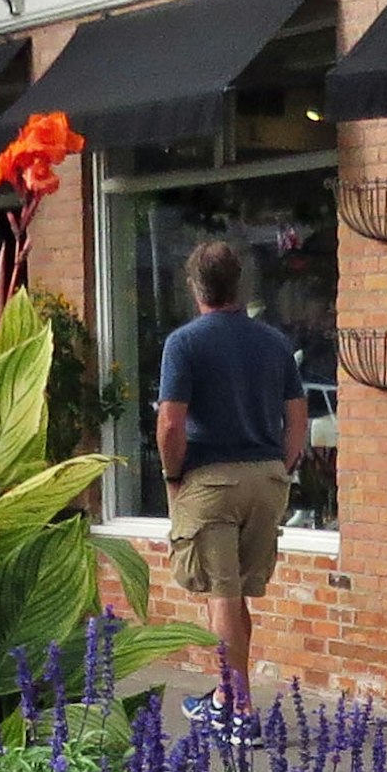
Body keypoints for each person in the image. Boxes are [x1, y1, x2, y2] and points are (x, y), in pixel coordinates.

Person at [151, 239, 306, 719]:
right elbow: (297, 422)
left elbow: (171, 423)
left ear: (196, 287)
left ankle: (237, 709)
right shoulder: (275, 343)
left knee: (222, 595)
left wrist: (172, 475)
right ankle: (225, 695)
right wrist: (281, 468)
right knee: (235, 594)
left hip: (211, 481)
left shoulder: (185, 343)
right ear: (239, 284)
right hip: (266, 479)